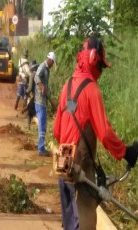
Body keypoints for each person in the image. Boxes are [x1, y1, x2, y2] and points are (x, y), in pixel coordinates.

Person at [53, 35, 138, 230]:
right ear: (93, 59)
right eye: (101, 66)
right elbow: (105, 133)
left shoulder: (67, 86)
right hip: (80, 165)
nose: (101, 71)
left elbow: (56, 130)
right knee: (85, 220)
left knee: (69, 221)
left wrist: (68, 147)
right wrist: (126, 152)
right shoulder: (91, 90)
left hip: (62, 162)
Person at [34, 52, 56, 156]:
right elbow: (36, 77)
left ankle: (41, 147)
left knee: (44, 125)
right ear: (50, 60)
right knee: (42, 125)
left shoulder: (47, 70)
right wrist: (42, 87)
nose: (52, 65)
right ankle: (41, 149)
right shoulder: (42, 67)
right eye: (52, 63)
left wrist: (51, 101)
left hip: (44, 100)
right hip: (40, 101)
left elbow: (46, 88)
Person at [22, 59, 39, 129]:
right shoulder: (39, 74)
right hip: (40, 96)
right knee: (33, 111)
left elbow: (30, 87)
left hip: (35, 96)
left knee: (30, 112)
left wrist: (26, 92)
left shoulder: (32, 75)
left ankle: (31, 127)